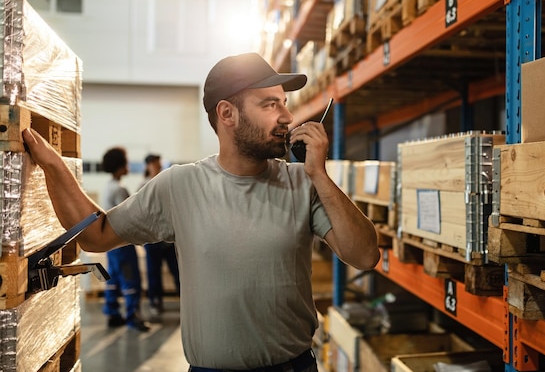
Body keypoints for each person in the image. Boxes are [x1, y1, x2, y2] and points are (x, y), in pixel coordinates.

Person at [21, 52, 380, 371]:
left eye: (284, 103)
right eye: (270, 104)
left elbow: (364, 255)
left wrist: (319, 175)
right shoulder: (179, 186)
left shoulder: (302, 183)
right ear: (227, 113)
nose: (287, 116)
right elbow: (95, 235)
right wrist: (53, 166)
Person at [100, 147, 150, 332]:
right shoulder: (120, 189)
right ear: (120, 165)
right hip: (122, 243)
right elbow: (130, 216)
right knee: (131, 281)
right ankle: (133, 317)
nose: (128, 166)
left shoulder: (108, 186)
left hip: (111, 245)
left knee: (113, 279)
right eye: (126, 162)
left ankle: (112, 313)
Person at [139, 153, 181, 316]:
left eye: (159, 163)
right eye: (155, 164)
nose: (158, 166)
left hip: (168, 238)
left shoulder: (165, 183)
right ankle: (155, 302)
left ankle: (184, 302)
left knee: (177, 270)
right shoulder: (144, 185)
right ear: (148, 165)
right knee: (153, 272)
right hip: (152, 238)